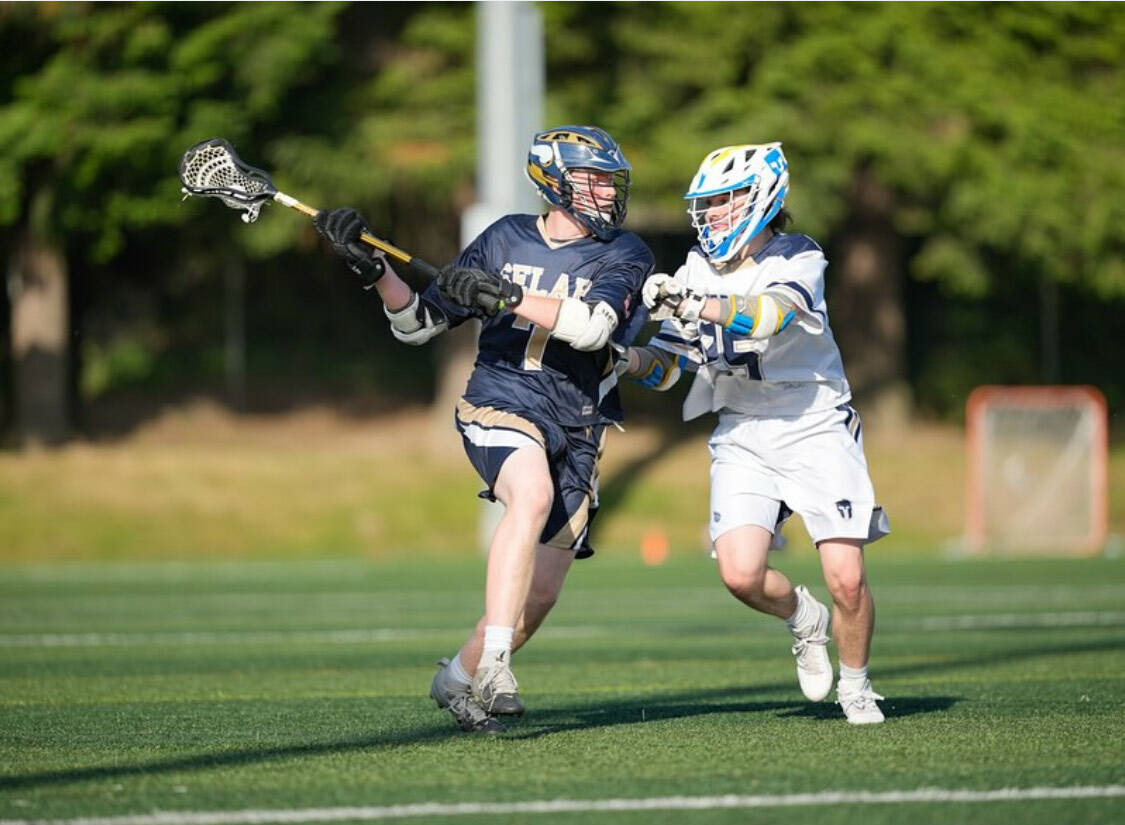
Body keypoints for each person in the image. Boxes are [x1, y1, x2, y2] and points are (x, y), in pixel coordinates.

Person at [315, 126, 654, 734]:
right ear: (556, 180)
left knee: (540, 598)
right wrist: (376, 276)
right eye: (594, 178)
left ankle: (459, 677)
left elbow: (593, 328)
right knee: (531, 495)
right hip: (500, 401)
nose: (606, 191)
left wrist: (509, 295)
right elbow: (417, 325)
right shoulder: (503, 239)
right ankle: (496, 666)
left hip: (577, 423)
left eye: (610, 180)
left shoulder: (626, 253)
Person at [617, 142, 889, 724]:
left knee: (846, 577)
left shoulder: (799, 256)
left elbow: (768, 316)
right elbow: (668, 368)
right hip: (743, 427)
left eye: (723, 201)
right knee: (740, 573)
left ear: (760, 198)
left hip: (814, 422)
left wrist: (694, 302)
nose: (712, 214)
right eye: (707, 204)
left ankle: (858, 686)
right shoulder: (695, 268)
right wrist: (620, 359)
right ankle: (803, 619)